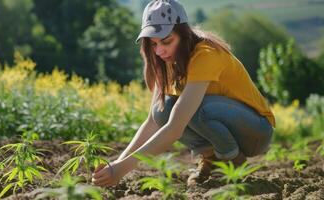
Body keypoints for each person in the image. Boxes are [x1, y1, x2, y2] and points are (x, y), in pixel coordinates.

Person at [92, 0, 275, 187]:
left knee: (193, 109)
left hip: (256, 131)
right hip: (224, 123)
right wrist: (115, 165)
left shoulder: (205, 54)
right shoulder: (167, 61)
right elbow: (153, 122)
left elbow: (175, 127)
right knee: (162, 110)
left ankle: (232, 161)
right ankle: (212, 160)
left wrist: (121, 169)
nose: (159, 51)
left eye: (166, 41)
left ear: (184, 34)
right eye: (153, 44)